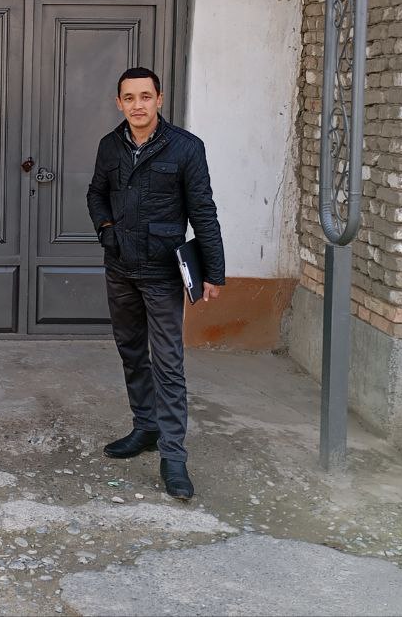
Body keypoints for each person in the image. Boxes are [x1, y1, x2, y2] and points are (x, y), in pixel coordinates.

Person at [86, 66, 225, 500]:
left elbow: (203, 211)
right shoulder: (110, 146)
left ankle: (174, 457)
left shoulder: (186, 147)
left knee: (167, 362)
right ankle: (145, 427)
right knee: (131, 352)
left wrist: (214, 272)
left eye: (145, 96)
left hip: (163, 272)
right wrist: (106, 230)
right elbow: (95, 193)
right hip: (120, 268)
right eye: (129, 98)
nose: (138, 105)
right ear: (119, 103)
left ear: (159, 99)